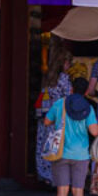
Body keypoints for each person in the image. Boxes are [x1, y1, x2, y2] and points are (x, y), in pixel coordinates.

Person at [43, 76, 98, 196]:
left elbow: (47, 121)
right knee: (78, 191)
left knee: (62, 191)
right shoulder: (88, 107)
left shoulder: (60, 104)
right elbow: (94, 132)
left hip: (61, 153)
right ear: (86, 91)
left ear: (71, 89)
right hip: (81, 155)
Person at [36, 44, 74, 186]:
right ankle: (57, 178)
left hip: (46, 117)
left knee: (45, 145)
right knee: (58, 146)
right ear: (63, 63)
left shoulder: (48, 78)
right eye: (68, 62)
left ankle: (45, 175)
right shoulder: (64, 79)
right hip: (59, 118)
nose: (69, 65)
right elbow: (68, 97)